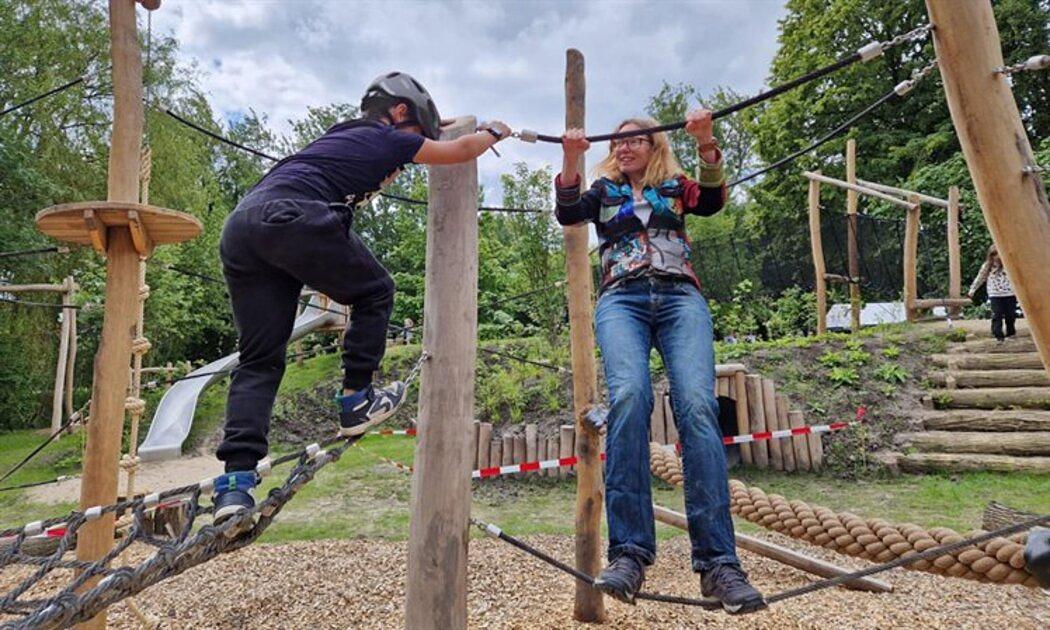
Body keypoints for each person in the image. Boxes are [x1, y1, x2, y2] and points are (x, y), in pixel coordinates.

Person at [213, 72, 511, 523]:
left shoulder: (342, 137)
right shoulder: (386, 138)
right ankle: (356, 400)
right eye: (415, 140)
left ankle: (234, 485)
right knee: (375, 292)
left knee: (260, 359)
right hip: (290, 216)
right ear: (398, 113)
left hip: (242, 229)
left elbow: (421, 138)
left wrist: (429, 124)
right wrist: (493, 131)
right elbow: (458, 151)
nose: (403, 165)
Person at [554, 111, 764, 614]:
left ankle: (718, 564)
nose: (625, 148)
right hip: (622, 299)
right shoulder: (602, 192)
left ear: (654, 147)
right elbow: (567, 212)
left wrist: (706, 141)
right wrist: (570, 156)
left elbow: (712, 200)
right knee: (629, 397)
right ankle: (629, 553)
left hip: (678, 299)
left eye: (636, 141)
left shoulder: (674, 186)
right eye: (619, 142)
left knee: (696, 405)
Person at [968, 244, 1018, 343]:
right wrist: (972, 290)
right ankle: (998, 335)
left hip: (1009, 293)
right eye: (994, 254)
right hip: (995, 294)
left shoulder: (1009, 264)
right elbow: (980, 278)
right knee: (997, 314)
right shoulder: (987, 266)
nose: (996, 256)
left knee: (1010, 315)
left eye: (998, 253)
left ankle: (1011, 332)